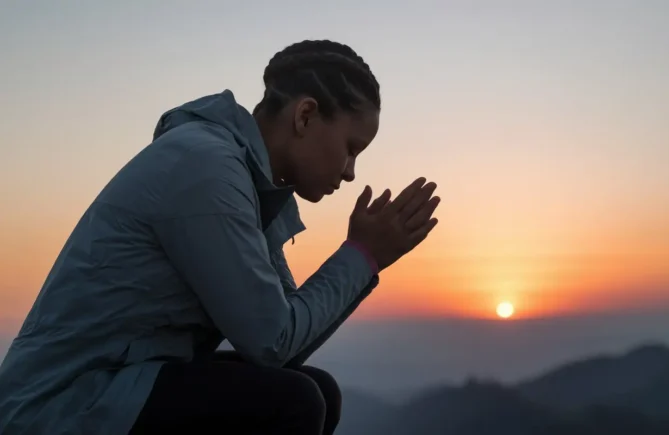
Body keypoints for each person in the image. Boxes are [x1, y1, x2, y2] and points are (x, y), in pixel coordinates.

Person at [0, 39, 440, 435]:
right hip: (60, 402)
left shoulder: (249, 183)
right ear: (305, 116)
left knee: (317, 390)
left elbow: (284, 346)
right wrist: (362, 255)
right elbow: (274, 342)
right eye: (351, 148)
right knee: (293, 403)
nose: (350, 172)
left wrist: (366, 258)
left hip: (121, 381)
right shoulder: (208, 170)